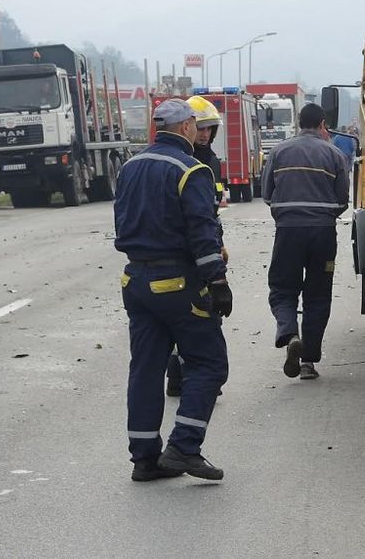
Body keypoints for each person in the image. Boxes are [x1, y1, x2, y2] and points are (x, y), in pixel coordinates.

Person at [114, 98, 233, 481]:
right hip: (178, 283)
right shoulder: (191, 169)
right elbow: (201, 232)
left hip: (136, 281)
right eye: (195, 126)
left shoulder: (129, 167)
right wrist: (217, 281)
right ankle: (183, 448)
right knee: (209, 362)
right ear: (185, 128)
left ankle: (145, 459)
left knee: (146, 369)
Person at [262, 103, 349, 381]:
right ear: (322, 124)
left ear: (300, 123)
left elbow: (266, 195)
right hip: (323, 234)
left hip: (288, 232)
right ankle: (308, 362)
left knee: (282, 289)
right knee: (318, 294)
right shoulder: (335, 154)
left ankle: (289, 335)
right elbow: (341, 201)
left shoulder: (278, 152)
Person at [163, 95, 228, 398]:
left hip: (206, 243)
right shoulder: (186, 162)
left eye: (209, 129)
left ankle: (182, 375)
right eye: (200, 129)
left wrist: (220, 243)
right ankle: (192, 378)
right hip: (190, 251)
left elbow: (211, 211)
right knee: (199, 314)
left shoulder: (211, 160)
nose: (204, 135)